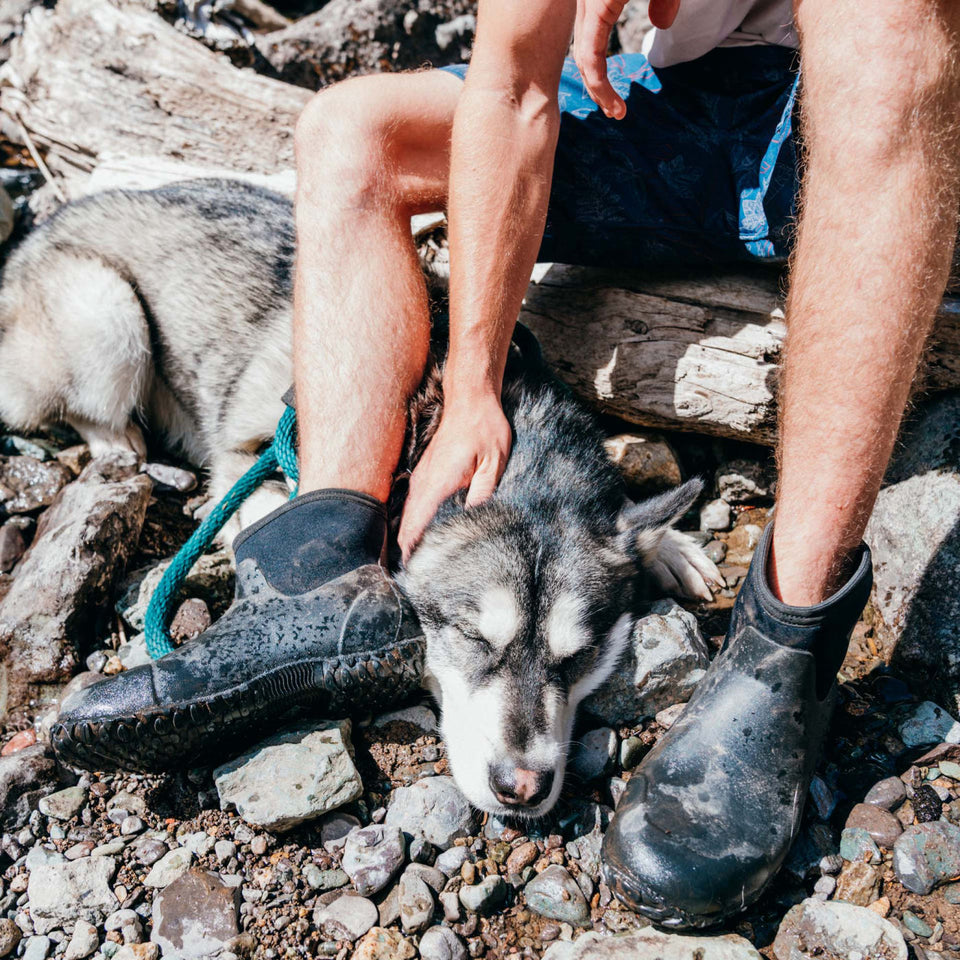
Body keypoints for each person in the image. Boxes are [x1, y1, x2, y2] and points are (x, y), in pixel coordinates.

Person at [58, 0, 960, 927]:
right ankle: (318, 577)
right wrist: (473, 386)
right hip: (660, 106)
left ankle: (786, 640)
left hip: (882, 112)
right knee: (349, 128)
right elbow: (514, 84)